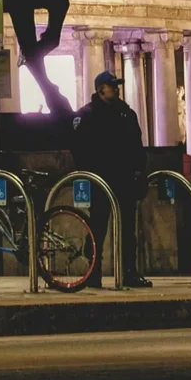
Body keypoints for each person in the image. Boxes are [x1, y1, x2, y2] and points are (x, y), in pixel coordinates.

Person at [71, 71, 150, 288]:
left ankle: (128, 272)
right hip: (100, 181)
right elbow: (80, 150)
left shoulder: (126, 113)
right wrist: (89, 175)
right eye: (111, 85)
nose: (116, 88)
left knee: (127, 230)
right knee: (97, 228)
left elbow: (137, 145)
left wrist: (139, 170)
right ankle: (93, 273)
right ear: (100, 89)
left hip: (124, 179)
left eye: (116, 85)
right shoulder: (87, 115)